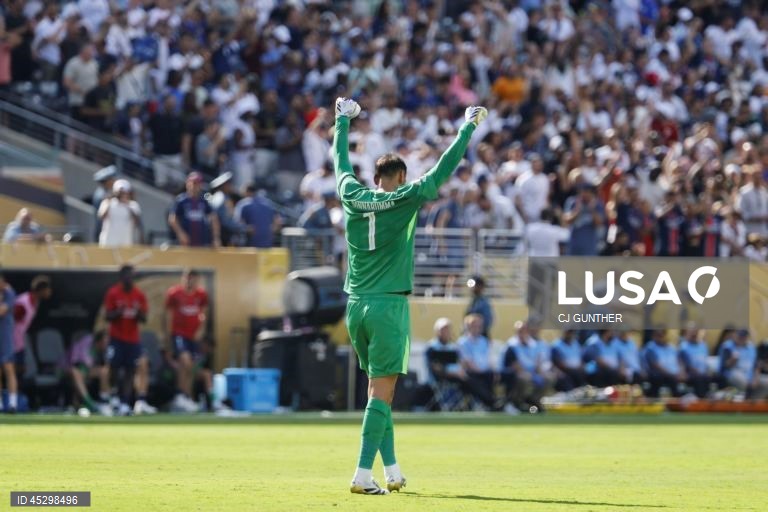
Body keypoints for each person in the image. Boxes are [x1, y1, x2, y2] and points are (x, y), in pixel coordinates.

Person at [334, 97, 486, 495]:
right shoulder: (406, 198)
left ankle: (394, 471)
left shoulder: (351, 193)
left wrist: (342, 121)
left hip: (355, 306)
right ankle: (362, 475)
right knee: (382, 394)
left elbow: (340, 163)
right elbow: (443, 169)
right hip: (387, 304)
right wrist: (467, 128)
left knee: (377, 392)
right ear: (399, 176)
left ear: (375, 175)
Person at [103, 265, 149, 415]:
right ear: (121, 277)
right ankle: (114, 396)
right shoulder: (113, 293)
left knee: (130, 370)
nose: (129, 279)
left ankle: (124, 401)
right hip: (116, 338)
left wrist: (137, 313)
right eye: (126, 276)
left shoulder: (139, 295)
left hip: (132, 339)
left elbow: (144, 318)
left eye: (131, 276)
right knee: (113, 368)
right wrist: (119, 312)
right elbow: (108, 316)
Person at [425, 317, 499, 411]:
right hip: (442, 377)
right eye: (443, 330)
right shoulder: (432, 347)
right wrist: (454, 373)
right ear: (437, 331)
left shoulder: (452, 347)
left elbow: (459, 363)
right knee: (470, 381)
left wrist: (461, 371)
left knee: (477, 377)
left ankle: (487, 402)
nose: (446, 332)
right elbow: (436, 368)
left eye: (448, 330)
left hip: (457, 375)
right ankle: (490, 402)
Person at [165, 269, 209, 413]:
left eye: (194, 279)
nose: (191, 282)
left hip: (193, 337)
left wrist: (201, 330)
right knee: (186, 361)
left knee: (189, 367)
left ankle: (185, 397)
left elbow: (203, 314)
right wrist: (168, 337)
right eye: (188, 278)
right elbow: (168, 316)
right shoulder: (174, 294)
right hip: (179, 335)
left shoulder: (201, 295)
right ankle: (182, 396)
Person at [502, 319, 555, 410]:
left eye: (524, 330)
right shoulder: (511, 345)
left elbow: (537, 362)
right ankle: (518, 403)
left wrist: (541, 373)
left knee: (549, 378)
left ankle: (534, 401)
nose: (522, 333)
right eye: (520, 331)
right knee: (525, 378)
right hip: (514, 373)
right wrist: (530, 374)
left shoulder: (533, 344)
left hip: (531, 372)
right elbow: (515, 366)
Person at [12, 275, 52, 377]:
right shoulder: (23, 302)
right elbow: (9, 322)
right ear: (41, 290)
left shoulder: (36, 302)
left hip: (19, 342)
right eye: (48, 289)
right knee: (10, 369)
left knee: (21, 369)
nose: (50, 292)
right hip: (10, 342)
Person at [168, 172, 221, 248]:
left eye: (196, 183)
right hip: (186, 242)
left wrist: (216, 238)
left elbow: (214, 218)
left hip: (202, 241)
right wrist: (180, 233)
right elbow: (173, 219)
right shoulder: (181, 200)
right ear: (187, 184)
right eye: (192, 183)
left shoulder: (204, 201)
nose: (194, 186)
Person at [68, 330, 112, 415]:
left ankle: (105, 402)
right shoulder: (87, 343)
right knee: (76, 373)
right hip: (68, 369)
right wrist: (85, 369)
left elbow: (106, 365)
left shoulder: (105, 350)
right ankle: (89, 403)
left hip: (87, 371)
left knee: (104, 371)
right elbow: (76, 362)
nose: (107, 344)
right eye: (105, 341)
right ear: (99, 341)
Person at [718, 329, 768, 399]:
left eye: (744, 336)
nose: (741, 338)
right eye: (740, 336)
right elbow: (723, 366)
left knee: (766, 382)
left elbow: (757, 366)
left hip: (749, 376)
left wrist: (755, 378)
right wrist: (732, 360)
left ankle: (752, 402)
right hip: (732, 374)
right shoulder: (728, 346)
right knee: (741, 379)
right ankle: (743, 401)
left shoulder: (751, 348)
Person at [98, 179, 143, 247]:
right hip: (108, 241)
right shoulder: (107, 203)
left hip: (126, 242)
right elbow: (101, 217)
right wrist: (109, 202)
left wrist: (127, 205)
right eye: (120, 192)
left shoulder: (133, 205)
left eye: (124, 192)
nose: (122, 194)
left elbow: (137, 221)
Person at [644, 330, 687, 397]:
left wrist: (682, 372)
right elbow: (655, 365)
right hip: (660, 374)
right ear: (653, 336)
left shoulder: (671, 347)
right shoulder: (650, 348)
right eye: (657, 335)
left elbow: (679, 361)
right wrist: (671, 374)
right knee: (659, 378)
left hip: (674, 374)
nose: (660, 338)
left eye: (661, 335)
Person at [678, 326, 714, 398]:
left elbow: (705, 362)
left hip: (703, 374)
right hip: (690, 375)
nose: (694, 333)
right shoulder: (683, 347)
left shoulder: (703, 346)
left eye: (696, 331)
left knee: (715, 378)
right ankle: (702, 400)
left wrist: (708, 372)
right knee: (700, 379)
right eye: (692, 331)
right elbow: (682, 363)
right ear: (687, 333)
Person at [0, 271, 18, 413]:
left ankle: (12, 404)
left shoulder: (9, 293)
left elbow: (2, 311)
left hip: (5, 337)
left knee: (8, 368)